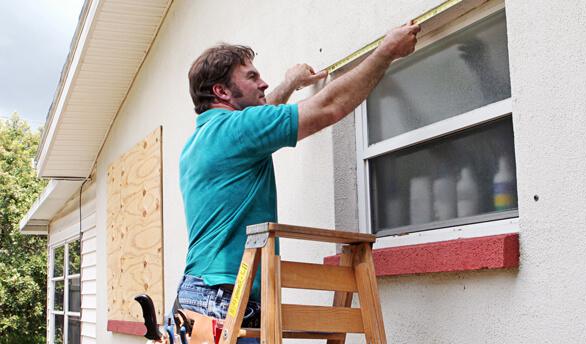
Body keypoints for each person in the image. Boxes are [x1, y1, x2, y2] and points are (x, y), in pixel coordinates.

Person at [177, 22, 420, 342]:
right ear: (221, 92)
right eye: (251, 77)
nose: (263, 84)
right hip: (226, 296)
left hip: (196, 295)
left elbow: (261, 117)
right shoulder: (237, 130)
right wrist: (386, 52)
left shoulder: (201, 140)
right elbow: (327, 106)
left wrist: (289, 84)